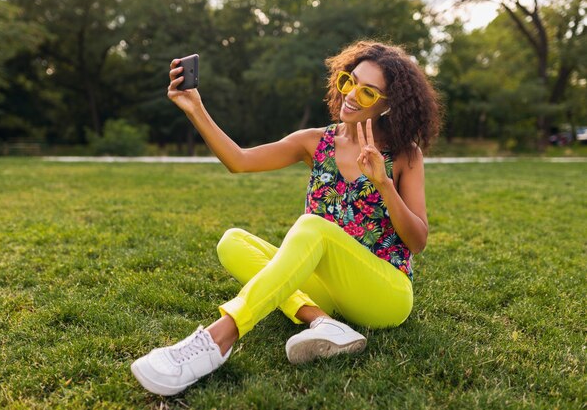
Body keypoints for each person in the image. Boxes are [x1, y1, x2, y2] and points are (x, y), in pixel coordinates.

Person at [131, 40, 441, 396]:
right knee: (233, 242)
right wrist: (195, 108)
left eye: (368, 92)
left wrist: (383, 183)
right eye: (348, 81)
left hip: (384, 296)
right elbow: (240, 161)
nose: (351, 95)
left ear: (389, 104)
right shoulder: (315, 142)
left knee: (312, 227)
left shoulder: (405, 155)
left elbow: (417, 241)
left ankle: (217, 339)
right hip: (328, 291)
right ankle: (323, 323)